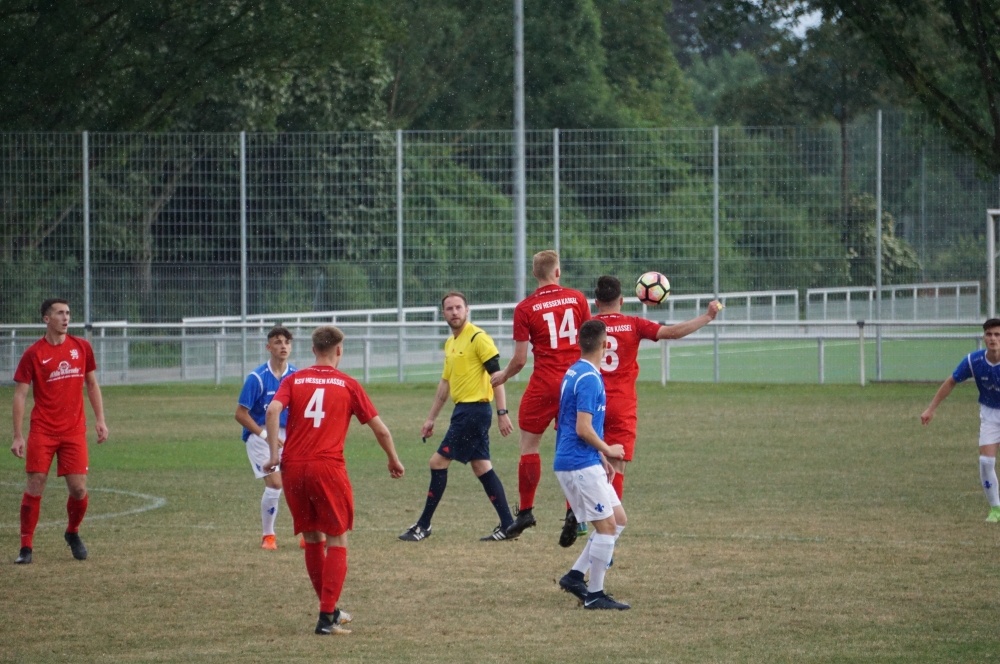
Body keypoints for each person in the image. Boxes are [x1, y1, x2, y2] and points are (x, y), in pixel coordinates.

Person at [264, 325, 404, 635]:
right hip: (327, 468)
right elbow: (381, 429)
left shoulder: (293, 379)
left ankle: (329, 611)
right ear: (339, 351)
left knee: (313, 538)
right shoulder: (348, 384)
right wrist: (393, 458)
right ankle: (327, 618)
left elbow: (273, 410)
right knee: (338, 538)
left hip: (293, 468)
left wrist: (274, 454)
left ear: (313, 350)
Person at [398, 291, 517, 542]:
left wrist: (502, 413)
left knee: (437, 462)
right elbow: (445, 384)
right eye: (449, 309)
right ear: (443, 313)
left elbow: (498, 378)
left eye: (458, 308)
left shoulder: (478, 338)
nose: (454, 312)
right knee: (481, 465)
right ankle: (508, 524)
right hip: (462, 410)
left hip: (475, 411)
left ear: (467, 310)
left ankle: (423, 525)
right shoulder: (450, 343)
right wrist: (431, 418)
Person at [492, 250, 592, 544]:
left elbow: (521, 360)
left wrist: (504, 376)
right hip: (574, 381)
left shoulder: (525, 308)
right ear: (557, 272)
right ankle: (574, 510)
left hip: (544, 384)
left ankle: (525, 511)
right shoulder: (577, 298)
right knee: (572, 446)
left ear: (534, 274)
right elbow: (589, 341)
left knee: (529, 446)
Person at [593, 275, 721, 499]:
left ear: (596, 302)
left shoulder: (588, 326)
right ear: (621, 301)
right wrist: (707, 317)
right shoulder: (634, 324)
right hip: (621, 405)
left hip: (591, 402)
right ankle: (610, 526)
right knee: (617, 467)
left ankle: (575, 514)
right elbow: (672, 332)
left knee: (583, 461)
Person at [11, 298, 109, 564]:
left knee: (78, 489)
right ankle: (26, 547)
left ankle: (72, 532)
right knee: (35, 483)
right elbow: (20, 395)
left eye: (68, 313)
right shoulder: (33, 353)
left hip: (74, 430)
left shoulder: (82, 347)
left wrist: (100, 419)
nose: (66, 318)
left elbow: (91, 384)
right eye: (59, 313)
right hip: (43, 430)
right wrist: (18, 435)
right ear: (46, 319)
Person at [552, 319, 630, 610]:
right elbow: (583, 428)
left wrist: (600, 457)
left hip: (585, 460)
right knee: (607, 527)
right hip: (577, 464)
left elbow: (570, 423)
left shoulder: (575, 371)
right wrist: (607, 449)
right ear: (605, 343)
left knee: (618, 519)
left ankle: (575, 576)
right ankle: (595, 594)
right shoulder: (588, 379)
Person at [921, 318, 1000, 523]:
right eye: (989, 334)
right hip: (990, 413)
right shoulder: (974, 361)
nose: (993, 338)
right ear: (983, 337)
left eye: (997, 334)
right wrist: (931, 409)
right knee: (985, 462)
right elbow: (951, 381)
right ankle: (996, 509)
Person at [235, 326, 297, 550]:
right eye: (278, 342)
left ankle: (307, 534)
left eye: (287, 342)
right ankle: (268, 536)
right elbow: (240, 414)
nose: (283, 346)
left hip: (287, 435)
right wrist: (264, 434)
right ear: (268, 347)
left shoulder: (296, 376)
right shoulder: (257, 378)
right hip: (258, 434)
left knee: (298, 483)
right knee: (276, 483)